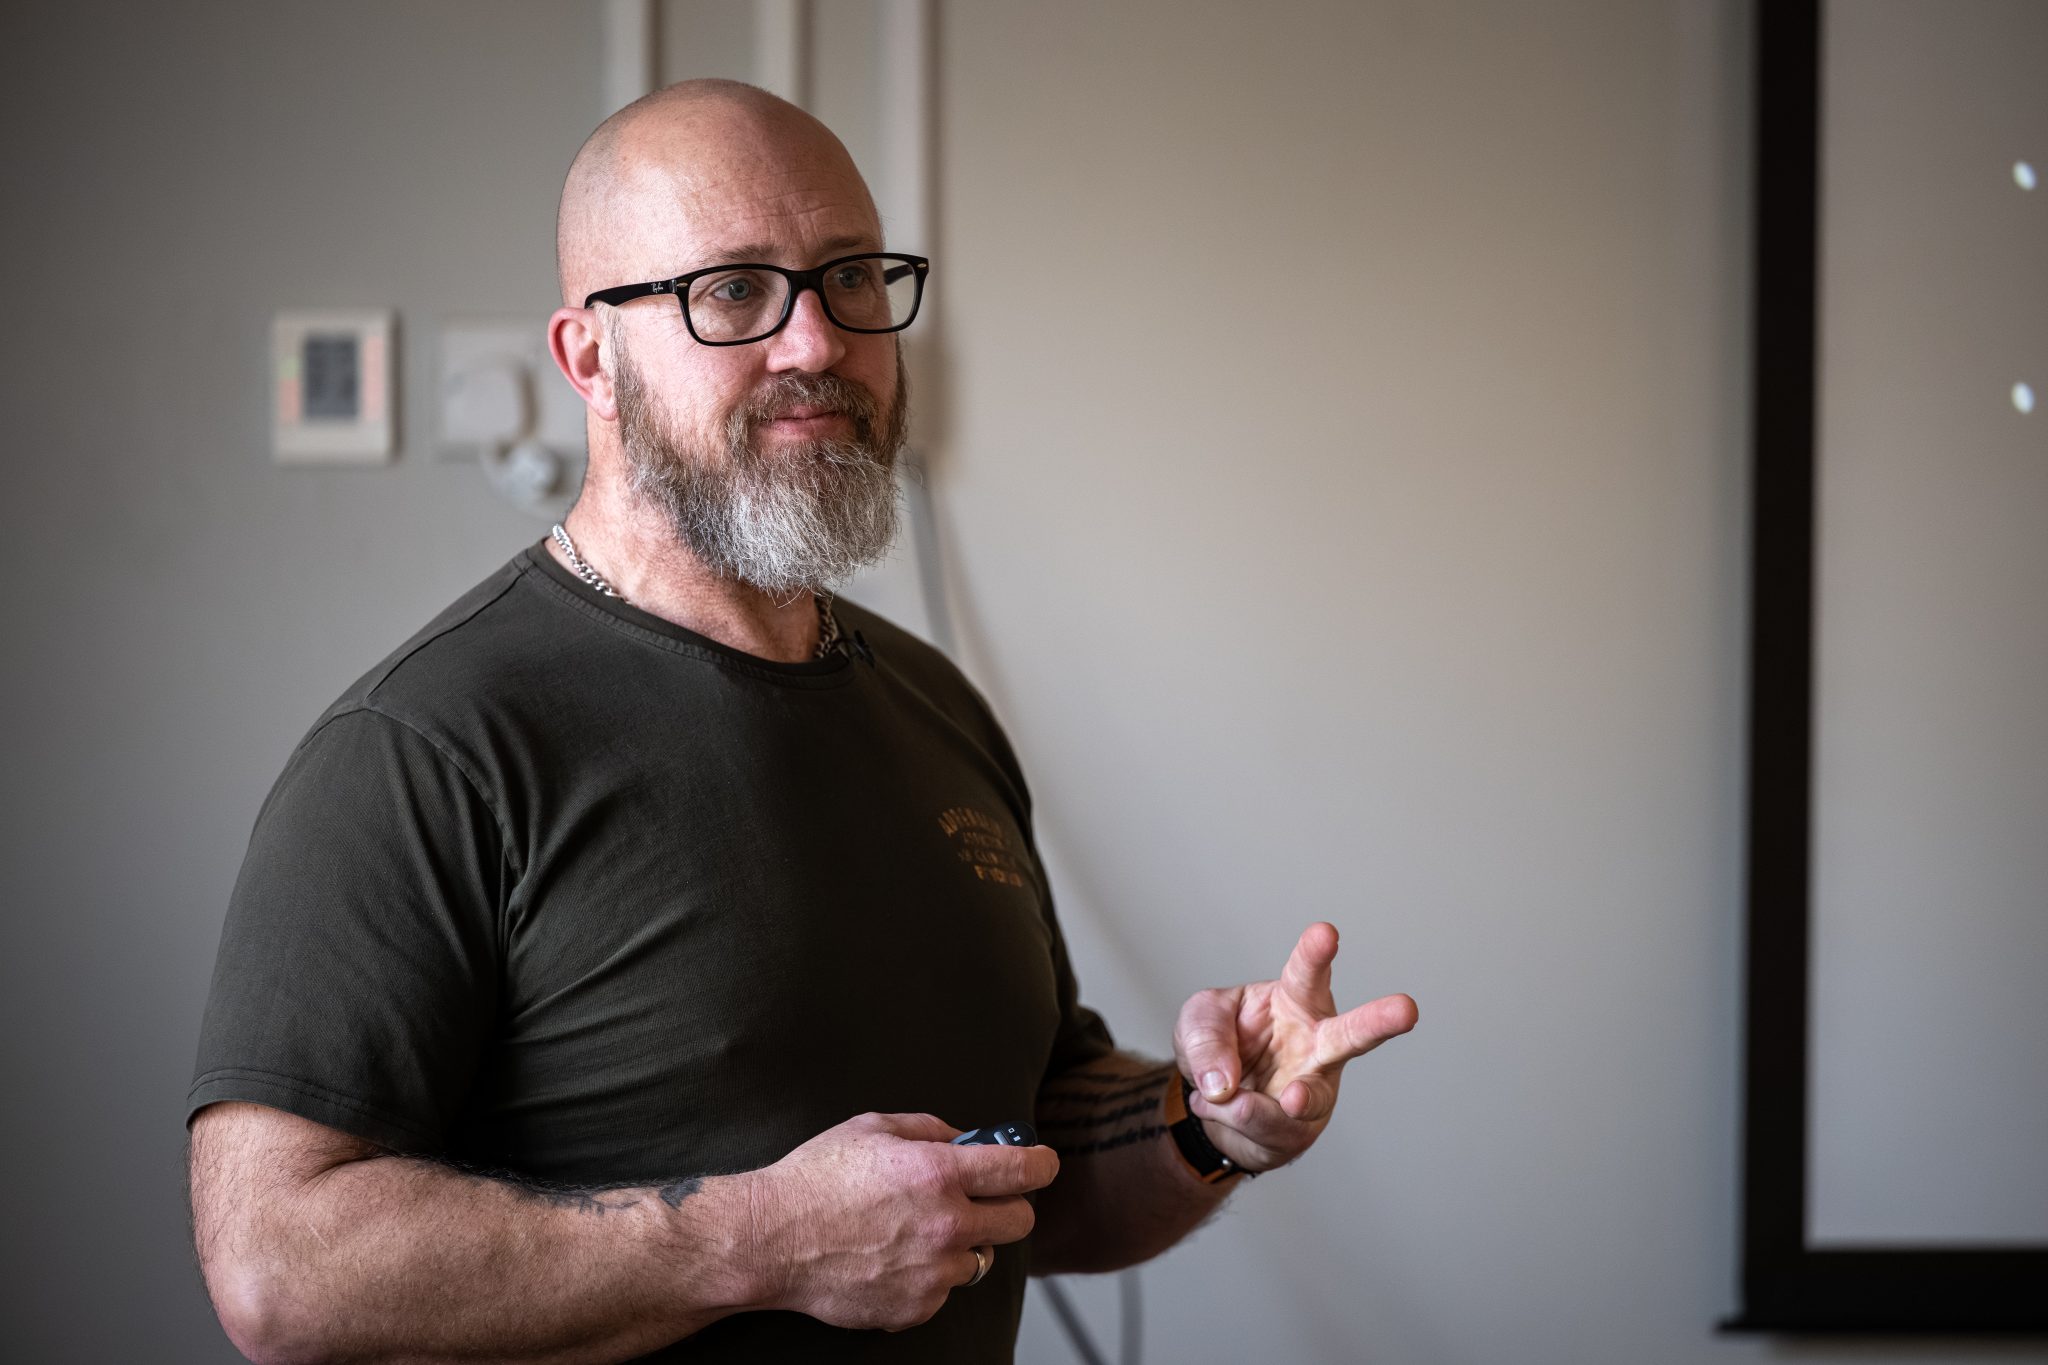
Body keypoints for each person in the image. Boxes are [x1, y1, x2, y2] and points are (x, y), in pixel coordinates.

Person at [186, 79, 1417, 1364]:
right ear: (588, 359)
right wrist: (758, 1240)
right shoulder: (426, 750)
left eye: (851, 277)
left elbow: (1027, 1160)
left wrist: (1207, 1123)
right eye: (732, 291)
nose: (817, 342)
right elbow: (278, 1270)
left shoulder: (932, 705)